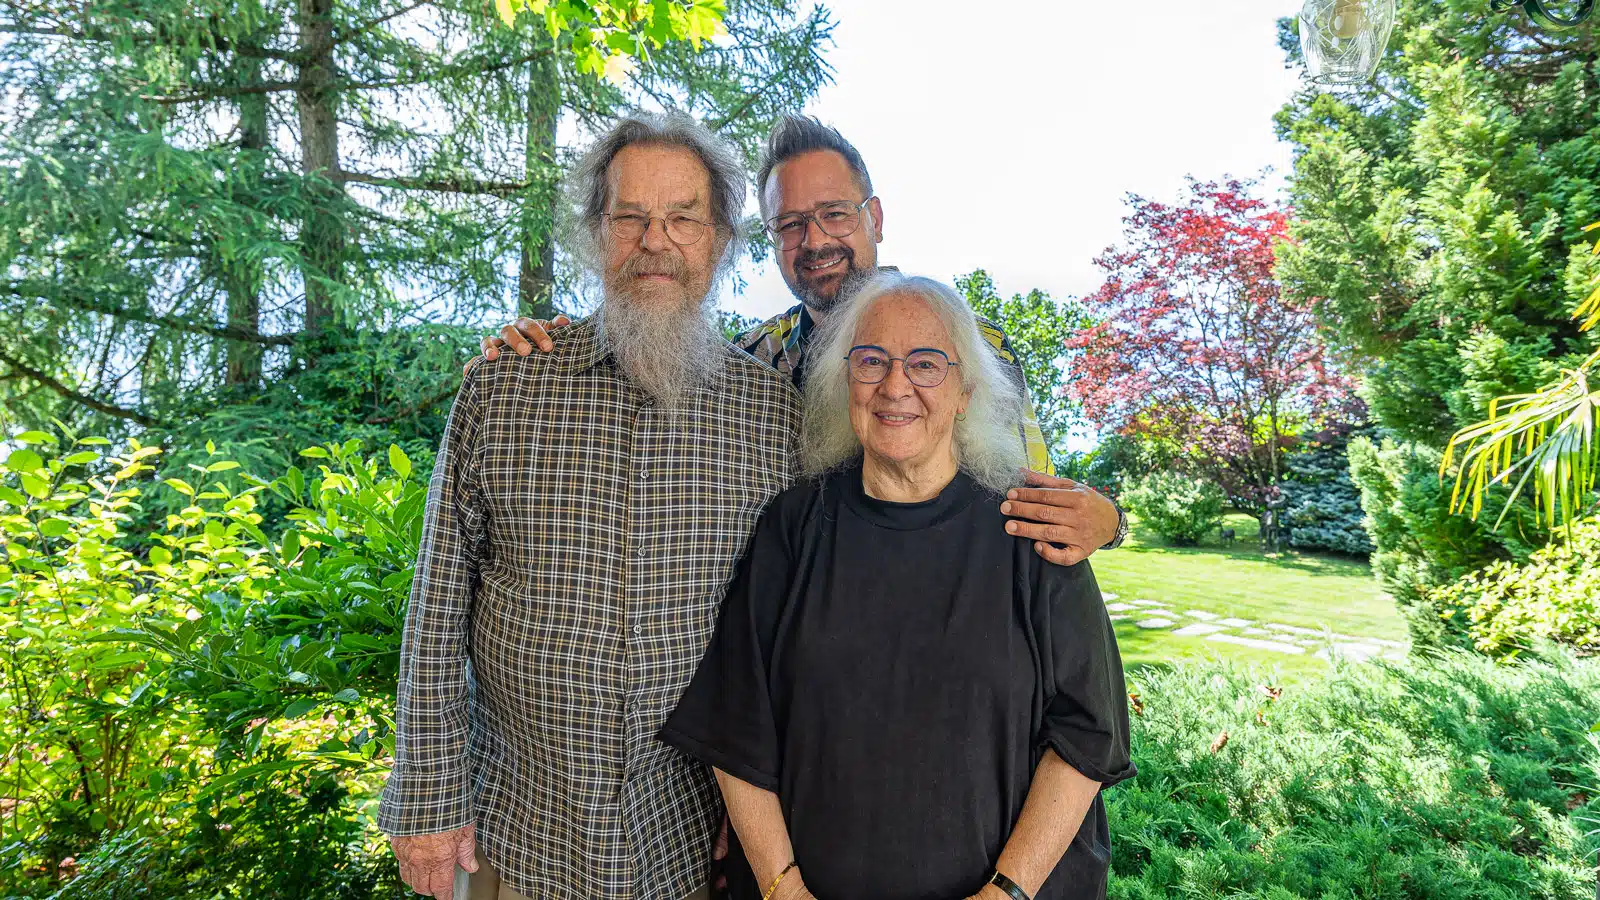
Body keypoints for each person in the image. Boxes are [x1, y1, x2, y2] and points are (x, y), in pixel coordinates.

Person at [377, 111, 802, 900]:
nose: (656, 241)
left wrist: (763, 800)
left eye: (683, 219)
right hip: (517, 830)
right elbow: (437, 603)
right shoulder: (504, 387)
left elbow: (788, 631)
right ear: (595, 233)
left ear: (719, 242)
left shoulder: (771, 415)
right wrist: (427, 800)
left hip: (690, 833)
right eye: (630, 217)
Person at [660, 272, 1135, 900]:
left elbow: (1087, 736)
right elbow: (735, 725)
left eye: (926, 364)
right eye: (871, 360)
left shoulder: (1032, 527)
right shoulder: (793, 526)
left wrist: (1005, 893)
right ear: (845, 380)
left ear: (966, 389)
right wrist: (782, 888)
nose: (894, 385)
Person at [476, 115, 1128, 565]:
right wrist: (558, 341)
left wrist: (1111, 522)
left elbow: (1045, 508)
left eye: (833, 215)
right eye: (789, 225)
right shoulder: (756, 358)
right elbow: (650, 357)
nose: (814, 242)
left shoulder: (971, 350)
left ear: (873, 217)